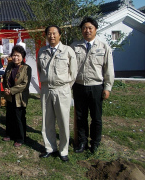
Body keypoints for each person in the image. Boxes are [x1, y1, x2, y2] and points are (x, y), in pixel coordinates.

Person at [71, 17, 114, 154]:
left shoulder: (103, 47)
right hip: (79, 86)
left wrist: (107, 87)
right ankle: (82, 142)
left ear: (95, 29)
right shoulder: (75, 46)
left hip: (96, 86)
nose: (87, 31)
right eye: (84, 28)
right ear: (81, 30)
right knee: (80, 116)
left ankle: (95, 143)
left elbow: (109, 69)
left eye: (90, 28)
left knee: (96, 118)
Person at [37, 26, 77, 162]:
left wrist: (65, 87)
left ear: (59, 35)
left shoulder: (68, 51)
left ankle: (63, 150)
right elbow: (40, 69)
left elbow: (73, 72)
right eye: (49, 34)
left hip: (62, 90)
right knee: (47, 121)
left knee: (63, 121)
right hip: (46, 89)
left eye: (54, 33)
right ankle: (50, 148)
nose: (51, 36)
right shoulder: (42, 51)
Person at [2, 45, 32, 147]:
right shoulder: (10, 66)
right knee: (9, 116)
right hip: (9, 96)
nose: (15, 57)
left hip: (19, 96)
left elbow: (25, 84)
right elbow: (5, 78)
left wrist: (11, 90)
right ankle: (9, 134)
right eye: (14, 55)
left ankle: (20, 138)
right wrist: (6, 88)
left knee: (19, 117)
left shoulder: (26, 68)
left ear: (22, 56)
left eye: (18, 55)